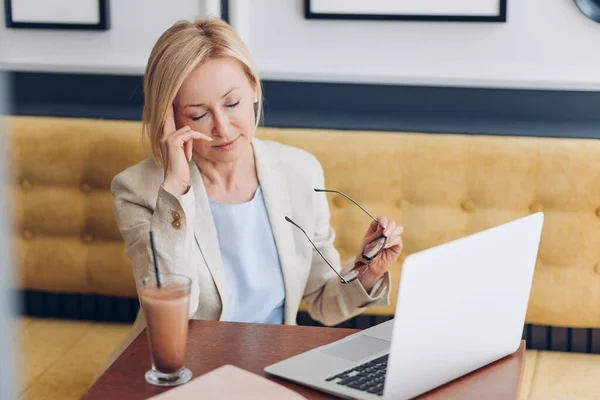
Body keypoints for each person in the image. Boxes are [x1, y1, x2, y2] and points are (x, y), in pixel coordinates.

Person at [93, 16, 404, 384]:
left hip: (272, 372)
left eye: (233, 103)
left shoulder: (299, 172)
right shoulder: (138, 190)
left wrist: (368, 272)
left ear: (254, 89)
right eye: (198, 114)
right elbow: (174, 311)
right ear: (170, 118)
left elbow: (323, 302)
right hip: (180, 374)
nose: (222, 129)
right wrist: (175, 189)